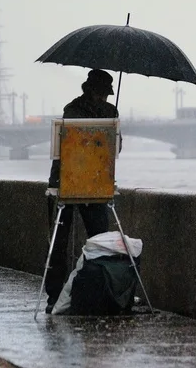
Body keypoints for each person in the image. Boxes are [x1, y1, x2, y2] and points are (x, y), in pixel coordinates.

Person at [44, 69, 123, 313]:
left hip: (85, 180)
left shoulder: (104, 111)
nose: (104, 99)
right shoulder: (80, 109)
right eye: (101, 94)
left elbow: (114, 147)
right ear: (92, 91)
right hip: (74, 181)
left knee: (87, 240)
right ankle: (62, 296)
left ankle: (76, 294)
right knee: (73, 241)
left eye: (105, 96)